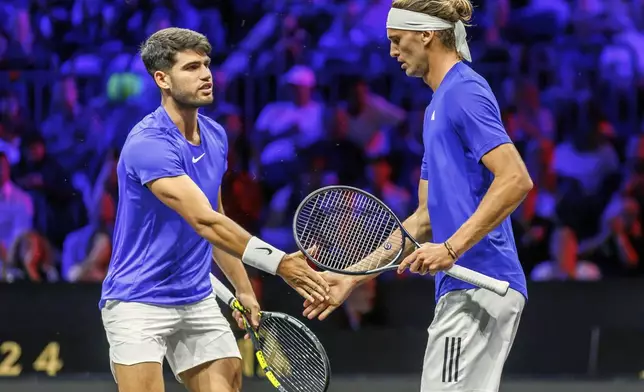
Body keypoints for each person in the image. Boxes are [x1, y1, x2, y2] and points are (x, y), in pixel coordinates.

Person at [301, 1, 533, 391]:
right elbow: (423, 219)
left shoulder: (465, 90)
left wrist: (452, 248)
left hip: (480, 283)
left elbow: (515, 179)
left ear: (426, 35)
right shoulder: (435, 107)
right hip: (464, 288)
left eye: (397, 40)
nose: (392, 52)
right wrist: (350, 278)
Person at [99, 28, 329, 392]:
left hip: (196, 298)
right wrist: (279, 263)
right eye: (191, 68)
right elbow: (204, 222)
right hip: (138, 300)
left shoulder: (216, 136)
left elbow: (218, 214)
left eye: (206, 64)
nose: (206, 74)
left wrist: (244, 289)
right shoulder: (149, 144)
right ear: (162, 79)